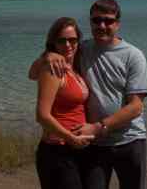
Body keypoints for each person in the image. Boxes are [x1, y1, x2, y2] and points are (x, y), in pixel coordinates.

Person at [29, 0, 147, 189]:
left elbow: (135, 107)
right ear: (91, 22)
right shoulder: (81, 49)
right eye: (96, 20)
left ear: (117, 24)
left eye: (108, 20)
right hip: (95, 146)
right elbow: (33, 73)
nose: (102, 25)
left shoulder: (133, 55)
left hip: (129, 140)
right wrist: (48, 54)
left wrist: (97, 127)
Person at [34, 17, 94, 189]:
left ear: (78, 41)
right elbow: (41, 115)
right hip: (57, 151)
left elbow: (31, 73)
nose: (68, 45)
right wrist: (71, 138)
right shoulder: (52, 69)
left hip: (75, 149)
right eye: (62, 40)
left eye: (72, 40)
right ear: (53, 42)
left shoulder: (72, 68)